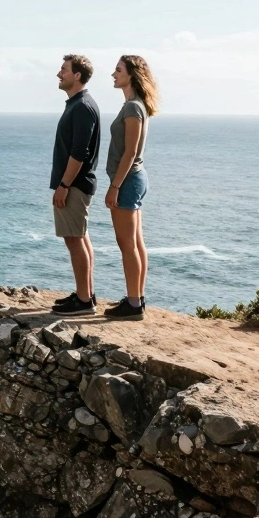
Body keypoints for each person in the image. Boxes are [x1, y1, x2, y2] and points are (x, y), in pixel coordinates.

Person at [103, 54, 159, 321]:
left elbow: (130, 151)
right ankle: (137, 298)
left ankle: (134, 304)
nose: (113, 74)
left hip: (127, 180)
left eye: (118, 70)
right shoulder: (134, 105)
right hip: (134, 178)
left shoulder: (133, 108)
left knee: (127, 243)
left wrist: (114, 186)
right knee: (136, 242)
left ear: (131, 75)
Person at [49, 54, 101, 316]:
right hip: (77, 184)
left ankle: (83, 301)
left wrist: (64, 185)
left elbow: (79, 153)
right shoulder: (78, 104)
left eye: (64, 69)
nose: (59, 73)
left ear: (77, 75)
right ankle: (86, 294)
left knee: (74, 240)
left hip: (75, 185)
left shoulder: (82, 106)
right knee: (80, 238)